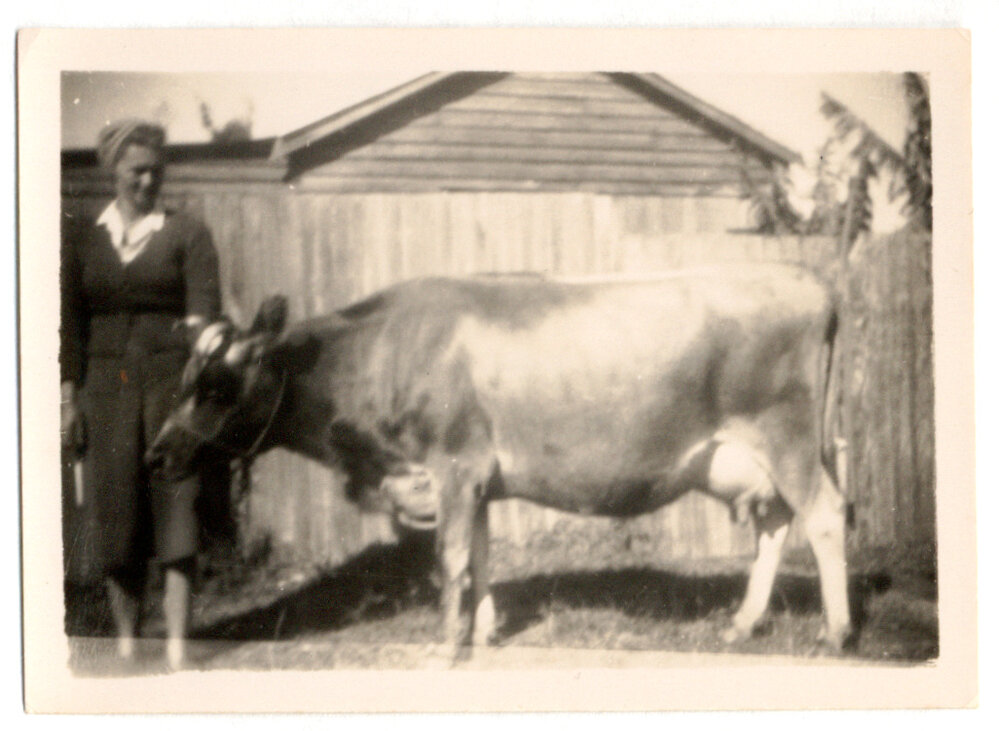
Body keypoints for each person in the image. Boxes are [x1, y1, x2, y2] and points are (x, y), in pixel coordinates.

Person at [61, 119, 221, 671]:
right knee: (117, 517)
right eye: (136, 171)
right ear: (114, 171)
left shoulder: (188, 233)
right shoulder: (84, 237)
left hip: (170, 385)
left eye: (156, 171)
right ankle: (127, 646)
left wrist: (203, 360)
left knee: (177, 507)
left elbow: (205, 313)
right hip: (104, 392)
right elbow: (69, 326)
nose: (147, 182)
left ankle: (177, 646)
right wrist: (67, 401)